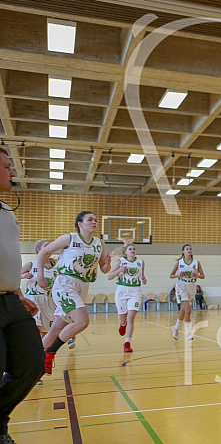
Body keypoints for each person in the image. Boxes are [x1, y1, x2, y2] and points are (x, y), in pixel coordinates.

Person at [0, 147, 44, 443]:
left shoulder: (6, 212)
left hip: (10, 300)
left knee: (32, 363)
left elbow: (8, 258)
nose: (12, 173)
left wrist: (17, 291)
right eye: (6, 167)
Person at [39, 211, 111, 375]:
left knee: (55, 329)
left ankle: (33, 363)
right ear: (80, 223)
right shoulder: (69, 238)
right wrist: (41, 277)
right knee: (82, 321)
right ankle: (49, 354)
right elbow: (43, 252)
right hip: (66, 283)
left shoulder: (99, 243)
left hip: (83, 286)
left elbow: (104, 270)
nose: (94, 222)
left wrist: (107, 263)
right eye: (90, 219)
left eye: (95, 220)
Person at [107, 242, 146, 353]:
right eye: (130, 249)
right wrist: (119, 270)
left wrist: (144, 279)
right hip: (122, 291)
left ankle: (127, 343)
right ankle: (122, 324)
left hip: (135, 291)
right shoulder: (120, 262)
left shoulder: (141, 262)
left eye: (134, 249)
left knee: (131, 318)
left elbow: (142, 275)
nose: (132, 250)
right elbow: (109, 276)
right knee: (123, 319)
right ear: (125, 252)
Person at [21, 239, 58, 339]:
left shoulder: (57, 266)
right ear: (38, 250)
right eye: (46, 246)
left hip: (49, 299)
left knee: (46, 331)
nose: (49, 248)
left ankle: (42, 350)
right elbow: (15, 276)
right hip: (33, 298)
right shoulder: (31, 264)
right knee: (36, 326)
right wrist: (23, 275)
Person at [170, 244, 205, 341]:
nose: (189, 250)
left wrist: (196, 275)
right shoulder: (179, 262)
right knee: (188, 309)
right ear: (183, 252)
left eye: (190, 249)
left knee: (184, 310)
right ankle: (189, 333)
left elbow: (203, 276)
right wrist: (178, 275)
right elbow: (171, 275)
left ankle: (176, 328)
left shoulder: (196, 262)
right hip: (181, 286)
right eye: (187, 249)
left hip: (192, 287)